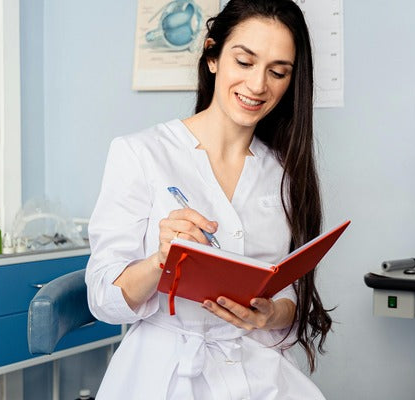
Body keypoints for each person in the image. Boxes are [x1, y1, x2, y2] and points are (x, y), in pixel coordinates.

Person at [85, 1, 332, 398]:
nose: (257, 85)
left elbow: (291, 297)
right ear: (213, 56)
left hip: (256, 370)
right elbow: (102, 299)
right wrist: (159, 262)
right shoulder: (140, 153)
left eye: (278, 72)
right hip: (163, 374)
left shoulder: (284, 173)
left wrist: (269, 315)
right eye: (244, 62)